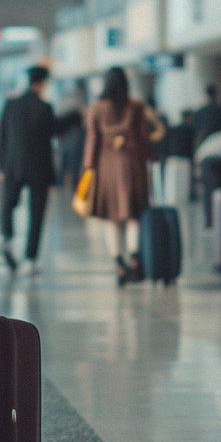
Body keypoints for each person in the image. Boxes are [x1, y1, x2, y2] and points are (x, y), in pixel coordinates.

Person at [80, 67, 162, 284]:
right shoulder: (135, 107)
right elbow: (144, 138)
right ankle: (135, 257)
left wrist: (88, 168)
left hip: (105, 166)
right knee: (134, 214)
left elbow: (92, 142)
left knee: (112, 218)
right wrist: (150, 156)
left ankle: (119, 263)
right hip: (133, 165)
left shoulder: (96, 109)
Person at [0, 65, 80, 273]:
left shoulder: (11, 104)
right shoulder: (45, 107)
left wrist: (2, 165)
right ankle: (31, 259)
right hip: (39, 169)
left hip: (13, 166)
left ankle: (7, 238)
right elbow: (56, 132)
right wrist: (75, 116)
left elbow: (1, 136)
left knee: (8, 205)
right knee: (37, 213)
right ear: (41, 84)